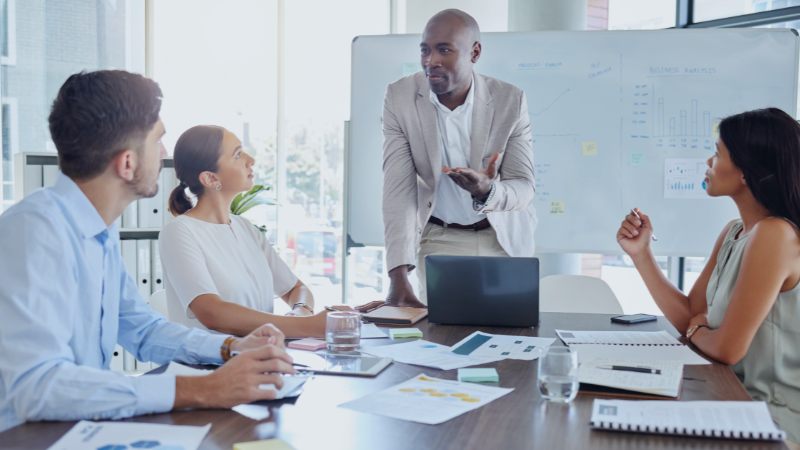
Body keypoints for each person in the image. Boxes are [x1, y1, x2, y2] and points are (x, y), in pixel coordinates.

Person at [0, 70, 296, 433]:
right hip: (26, 437)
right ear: (127, 163)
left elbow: (142, 330)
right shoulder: (36, 231)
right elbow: (37, 388)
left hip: (79, 429)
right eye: (158, 141)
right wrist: (204, 388)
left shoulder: (99, 230)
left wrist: (232, 346)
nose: (164, 154)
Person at [617, 108, 800, 445]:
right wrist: (641, 254)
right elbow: (690, 313)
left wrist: (698, 329)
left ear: (745, 172)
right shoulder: (734, 232)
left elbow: (728, 348)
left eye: (717, 153)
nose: (708, 162)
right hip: (728, 400)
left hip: (771, 420)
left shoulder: (775, 234)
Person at [380, 9, 537, 307]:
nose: (431, 61)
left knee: (509, 340)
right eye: (425, 50)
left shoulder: (509, 100)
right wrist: (398, 275)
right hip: (441, 238)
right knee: (441, 340)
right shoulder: (400, 98)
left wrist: (486, 191)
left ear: (475, 52)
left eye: (445, 50)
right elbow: (397, 190)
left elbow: (524, 187)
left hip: (503, 239)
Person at [159, 125, 352, 338]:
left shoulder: (245, 228)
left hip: (260, 361)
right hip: (211, 366)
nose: (251, 160)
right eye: (238, 154)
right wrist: (310, 326)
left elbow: (295, 289)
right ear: (211, 179)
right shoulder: (178, 233)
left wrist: (300, 311)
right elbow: (211, 313)